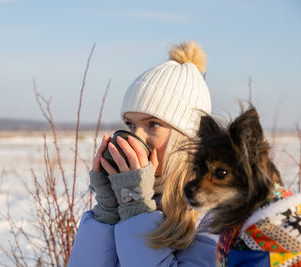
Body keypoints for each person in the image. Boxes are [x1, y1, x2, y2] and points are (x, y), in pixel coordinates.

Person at [67, 40, 217, 267]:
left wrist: (137, 210)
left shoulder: (214, 213)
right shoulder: (126, 200)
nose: (136, 137)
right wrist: (107, 212)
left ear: (186, 137)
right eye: (130, 124)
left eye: (153, 124)